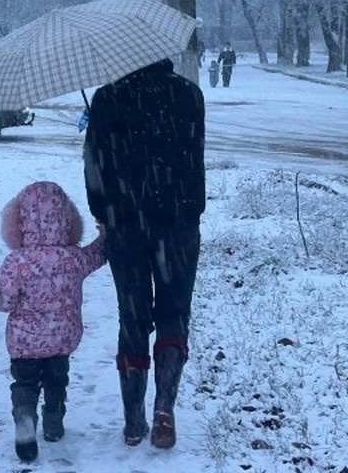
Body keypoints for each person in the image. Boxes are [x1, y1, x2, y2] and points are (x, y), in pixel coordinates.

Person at [82, 58, 205, 449]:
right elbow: (194, 156)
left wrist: (102, 212)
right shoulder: (189, 94)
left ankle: (133, 419)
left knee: (132, 315)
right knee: (173, 312)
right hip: (179, 224)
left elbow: (94, 165)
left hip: (126, 224)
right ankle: (164, 408)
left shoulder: (107, 98)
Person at [0, 181, 106, 464]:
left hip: (24, 343)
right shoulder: (73, 258)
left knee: (25, 383)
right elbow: (98, 255)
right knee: (57, 381)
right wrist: (106, 235)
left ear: (18, 222)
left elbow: (2, 301)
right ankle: (54, 423)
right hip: (61, 341)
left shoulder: (17, 261)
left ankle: (25, 417)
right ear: (68, 219)